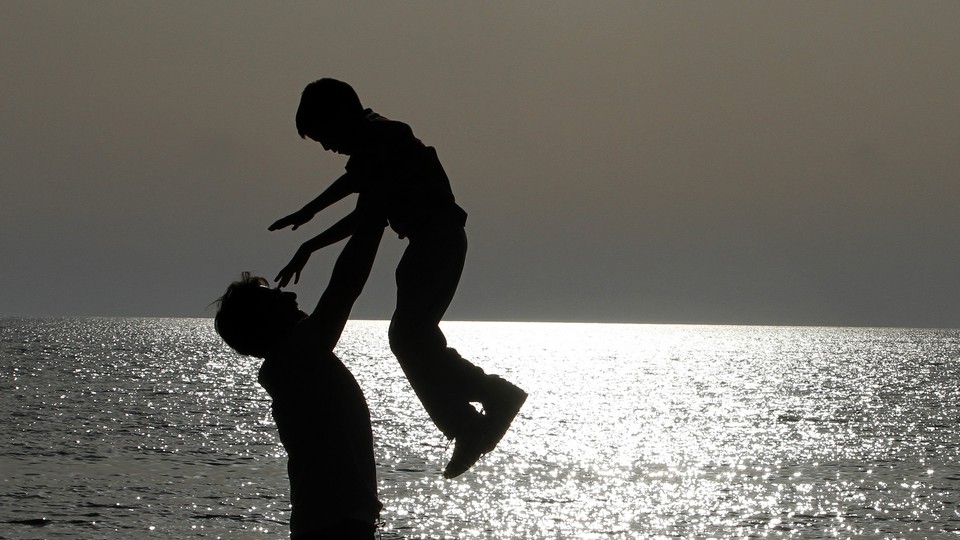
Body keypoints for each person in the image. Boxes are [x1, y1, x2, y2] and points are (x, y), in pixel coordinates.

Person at [269, 78, 526, 478]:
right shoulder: (377, 149)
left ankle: (484, 406)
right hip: (427, 243)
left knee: (408, 337)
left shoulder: (387, 135)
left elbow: (358, 192)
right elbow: (365, 210)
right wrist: (310, 237)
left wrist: (311, 214)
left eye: (324, 135)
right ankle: (472, 416)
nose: (326, 147)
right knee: (412, 339)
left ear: (341, 115)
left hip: (437, 239)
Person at [214, 213, 386, 539]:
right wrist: (374, 218)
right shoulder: (296, 358)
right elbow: (345, 286)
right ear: (264, 324)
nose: (292, 296)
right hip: (335, 528)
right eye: (277, 299)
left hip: (336, 524)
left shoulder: (293, 363)